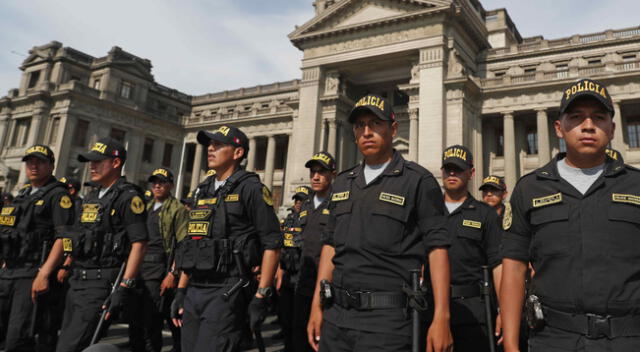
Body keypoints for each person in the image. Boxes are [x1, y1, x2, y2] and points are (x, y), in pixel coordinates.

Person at [501, 79, 640, 352]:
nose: (588, 126)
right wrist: (511, 345)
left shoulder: (636, 186)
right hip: (554, 338)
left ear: (612, 129)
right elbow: (514, 269)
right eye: (576, 118)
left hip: (629, 339)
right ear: (559, 129)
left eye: (599, 118)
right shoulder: (530, 188)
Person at [307, 94, 453, 352]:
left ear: (393, 129)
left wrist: (442, 316)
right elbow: (330, 246)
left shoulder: (417, 181)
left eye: (376, 123)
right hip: (337, 315)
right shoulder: (342, 182)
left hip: (388, 321)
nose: (367, 132)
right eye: (360, 125)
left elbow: (437, 249)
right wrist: (317, 306)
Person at [171, 125, 281, 352]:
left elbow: (272, 244)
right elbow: (193, 242)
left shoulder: (251, 189)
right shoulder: (203, 191)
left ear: (238, 153)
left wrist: (262, 295)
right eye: (210, 145)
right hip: (195, 288)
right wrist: (181, 291)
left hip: (227, 289)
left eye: (218, 145)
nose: (210, 149)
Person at [56, 137, 149, 352]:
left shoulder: (128, 197)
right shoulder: (91, 197)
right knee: (65, 341)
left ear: (116, 163)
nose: (92, 166)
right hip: (77, 280)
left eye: (98, 161)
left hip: (101, 283)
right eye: (91, 161)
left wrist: (125, 286)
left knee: (72, 346)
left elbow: (139, 244)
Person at [0, 144, 74, 352]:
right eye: (30, 161)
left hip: (31, 273)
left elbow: (63, 237)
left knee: (18, 337)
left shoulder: (58, 195)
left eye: (40, 162)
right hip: (9, 271)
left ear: (51, 166)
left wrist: (44, 273)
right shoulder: (22, 195)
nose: (34, 166)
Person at [440, 145, 502, 352]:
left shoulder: (485, 214)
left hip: (473, 309)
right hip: (432, 308)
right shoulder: (427, 211)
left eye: (458, 169)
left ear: (471, 173)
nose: (452, 173)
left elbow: (498, 265)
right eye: (448, 168)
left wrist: (503, 310)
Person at [128, 168, 187, 352]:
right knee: (134, 322)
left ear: (170, 185)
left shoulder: (177, 209)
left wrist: (172, 273)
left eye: (162, 182)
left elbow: (182, 245)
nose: (157, 185)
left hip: (158, 269)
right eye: (154, 182)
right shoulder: (145, 207)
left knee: (150, 321)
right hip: (139, 268)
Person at [292, 152, 335, 352]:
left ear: (332, 174)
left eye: (321, 172)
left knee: (321, 339)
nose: (315, 177)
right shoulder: (306, 205)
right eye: (313, 172)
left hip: (326, 284)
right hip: (303, 281)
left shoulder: (338, 203)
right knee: (298, 337)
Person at [276, 184, 310, 351]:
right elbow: (282, 249)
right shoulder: (287, 221)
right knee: (285, 316)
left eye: (301, 200)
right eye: (296, 199)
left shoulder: (309, 220)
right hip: (287, 274)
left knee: (299, 320)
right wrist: (279, 274)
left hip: (301, 275)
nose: (298, 203)